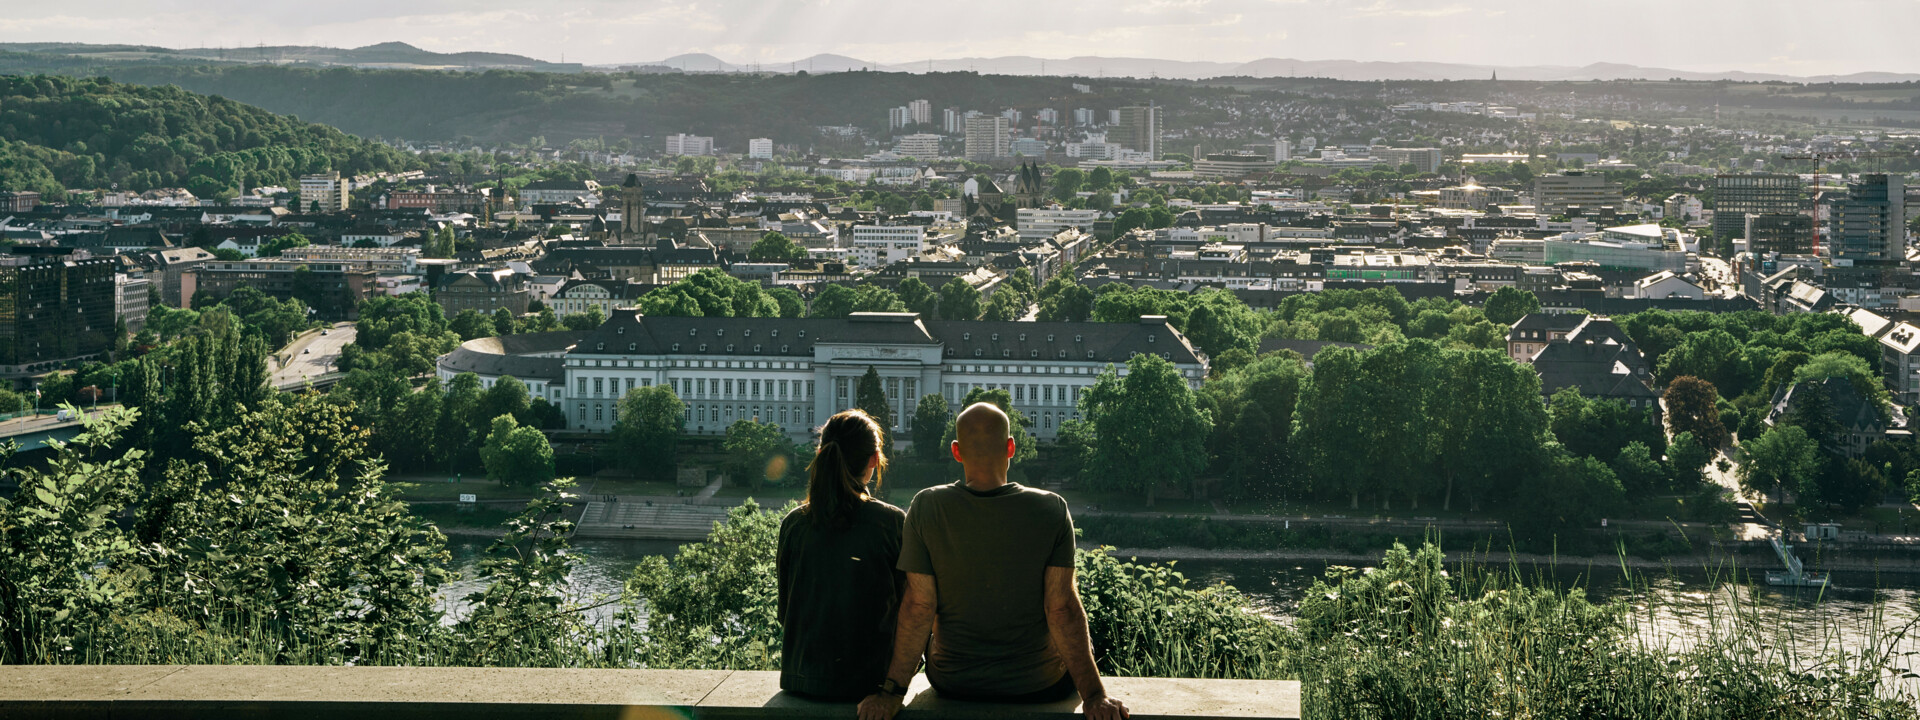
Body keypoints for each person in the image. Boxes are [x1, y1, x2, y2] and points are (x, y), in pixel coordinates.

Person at [858, 403, 1128, 720]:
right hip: (1039, 684)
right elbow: (1061, 608)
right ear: (1011, 447)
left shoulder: (927, 506)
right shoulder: (1051, 509)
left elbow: (919, 606)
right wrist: (1095, 697)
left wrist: (891, 693)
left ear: (956, 452)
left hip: (954, 682)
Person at [776, 409, 906, 700]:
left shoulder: (794, 523)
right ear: (875, 458)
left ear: (821, 453)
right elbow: (908, 612)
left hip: (801, 680)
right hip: (867, 684)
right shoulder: (891, 522)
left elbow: (786, 612)